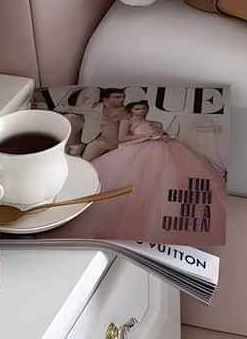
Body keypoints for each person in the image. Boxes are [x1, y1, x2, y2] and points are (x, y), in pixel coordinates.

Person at [88, 100, 226, 242]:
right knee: (141, 181)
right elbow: (122, 138)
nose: (141, 111)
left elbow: (161, 133)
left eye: (144, 108)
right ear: (131, 110)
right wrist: (147, 136)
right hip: (141, 151)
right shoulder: (126, 121)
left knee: (172, 178)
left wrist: (163, 136)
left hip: (166, 147)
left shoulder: (156, 123)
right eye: (137, 109)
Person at [59, 87, 129, 160]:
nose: (122, 99)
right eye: (117, 97)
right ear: (105, 99)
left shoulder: (126, 111)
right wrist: (57, 110)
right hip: (98, 141)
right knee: (85, 161)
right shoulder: (95, 107)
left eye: (123, 97)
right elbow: (72, 109)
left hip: (115, 142)